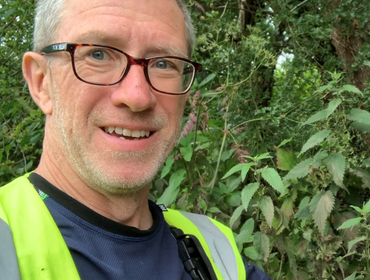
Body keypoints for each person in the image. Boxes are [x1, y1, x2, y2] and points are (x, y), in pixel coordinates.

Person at [0, 0, 272, 279]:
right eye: (98, 55)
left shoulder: (216, 251)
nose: (137, 96)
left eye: (164, 63)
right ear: (41, 81)